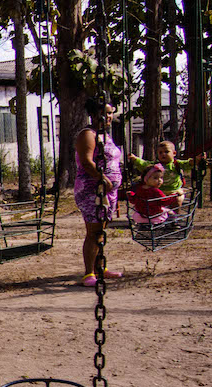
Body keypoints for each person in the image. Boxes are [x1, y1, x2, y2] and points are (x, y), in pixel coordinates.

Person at [74, 98, 124, 287]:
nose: (108, 116)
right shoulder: (88, 134)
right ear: (93, 115)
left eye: (111, 113)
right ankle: (89, 274)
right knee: (94, 231)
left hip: (107, 192)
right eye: (104, 113)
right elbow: (87, 162)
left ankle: (100, 268)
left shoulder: (105, 134)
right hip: (92, 190)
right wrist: (103, 179)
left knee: (101, 231)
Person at [128, 141, 203, 208]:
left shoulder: (176, 164)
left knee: (177, 201)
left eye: (166, 152)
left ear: (174, 153)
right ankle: (158, 217)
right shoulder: (155, 165)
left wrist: (197, 160)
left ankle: (174, 218)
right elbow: (144, 164)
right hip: (159, 191)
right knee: (153, 202)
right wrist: (135, 159)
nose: (163, 154)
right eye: (160, 152)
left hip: (174, 190)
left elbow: (187, 163)